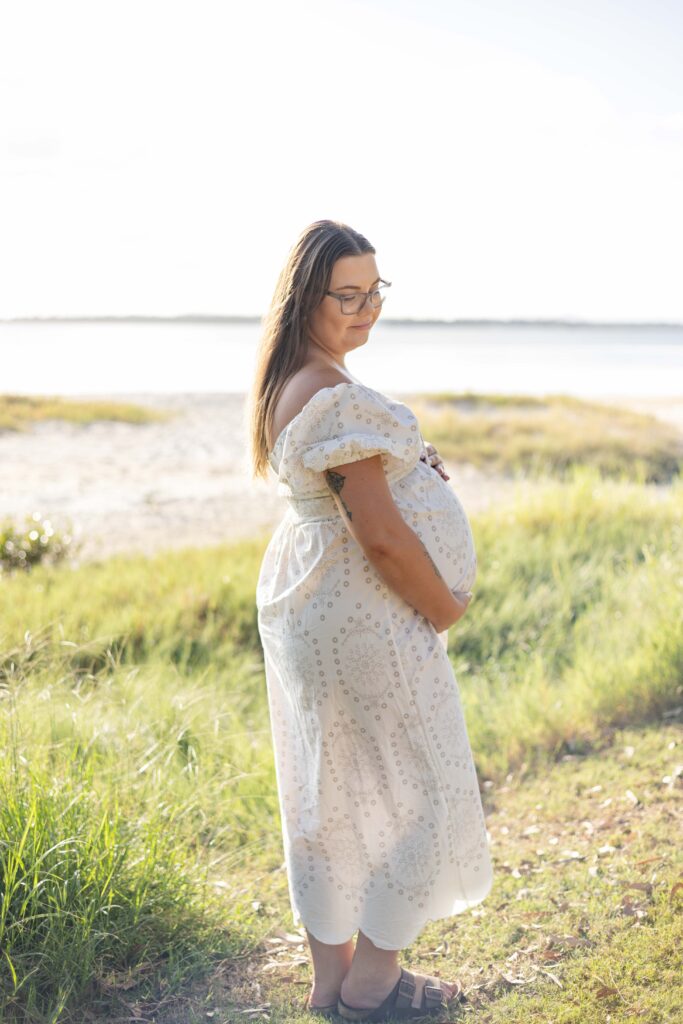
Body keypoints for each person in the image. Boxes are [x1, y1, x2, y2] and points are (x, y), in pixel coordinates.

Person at [247, 220, 493, 1021]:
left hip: (313, 605)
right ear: (303, 300)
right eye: (345, 296)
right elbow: (382, 537)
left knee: (330, 789)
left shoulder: (294, 379)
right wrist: (444, 604)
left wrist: (409, 467)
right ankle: (373, 984)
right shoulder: (332, 394)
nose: (364, 311)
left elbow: (359, 495)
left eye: (373, 291)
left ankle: (330, 984)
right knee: (427, 783)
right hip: (360, 613)